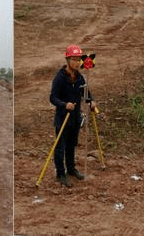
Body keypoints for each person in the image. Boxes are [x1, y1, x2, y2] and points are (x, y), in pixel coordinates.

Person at [50, 45, 96, 187]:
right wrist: (64, 104)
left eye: (78, 59)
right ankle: (60, 173)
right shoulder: (60, 77)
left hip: (75, 118)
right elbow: (53, 98)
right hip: (63, 118)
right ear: (68, 59)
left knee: (71, 145)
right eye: (74, 59)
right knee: (60, 147)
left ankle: (71, 169)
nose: (77, 62)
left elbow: (85, 92)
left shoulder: (80, 77)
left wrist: (91, 101)